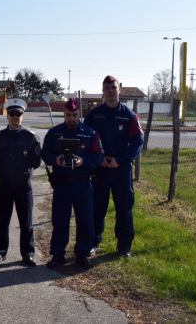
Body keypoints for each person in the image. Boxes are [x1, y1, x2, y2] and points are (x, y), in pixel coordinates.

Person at [83, 75, 144, 257]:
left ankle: (124, 246)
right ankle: (94, 242)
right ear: (103, 91)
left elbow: (138, 140)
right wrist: (97, 159)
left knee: (124, 208)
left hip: (121, 169)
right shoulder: (94, 115)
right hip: (100, 169)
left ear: (119, 90)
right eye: (107, 88)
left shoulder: (129, 115)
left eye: (113, 87)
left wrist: (121, 159)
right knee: (97, 208)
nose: (111, 91)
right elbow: (86, 140)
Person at [42, 99, 104, 268]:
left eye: (74, 115)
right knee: (60, 220)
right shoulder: (54, 133)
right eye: (68, 115)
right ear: (64, 114)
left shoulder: (90, 133)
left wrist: (82, 160)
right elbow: (45, 153)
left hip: (82, 184)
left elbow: (98, 156)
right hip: (62, 184)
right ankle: (58, 254)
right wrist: (56, 158)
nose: (71, 118)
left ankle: (82, 254)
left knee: (85, 220)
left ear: (79, 115)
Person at [0, 98, 42, 266]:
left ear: (22, 116)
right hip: (4, 185)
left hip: (23, 185)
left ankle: (28, 254)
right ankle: (0, 252)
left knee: (26, 222)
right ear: (7, 116)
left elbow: (36, 161)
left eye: (18, 114)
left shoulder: (30, 137)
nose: (15, 117)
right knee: (2, 221)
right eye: (12, 114)